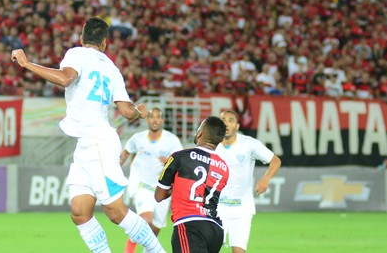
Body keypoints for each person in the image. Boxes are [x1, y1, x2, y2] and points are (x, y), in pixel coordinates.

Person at [11, 17, 165, 253]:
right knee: (80, 213)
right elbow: (125, 110)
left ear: (82, 39)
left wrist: (27, 64)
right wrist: (138, 111)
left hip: (98, 142)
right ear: (104, 43)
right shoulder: (112, 69)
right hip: (87, 144)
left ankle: (158, 251)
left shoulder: (76, 53)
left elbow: (65, 78)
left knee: (115, 212)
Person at [156, 116, 229, 253]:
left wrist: (175, 186)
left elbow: (159, 195)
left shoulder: (179, 157)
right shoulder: (224, 167)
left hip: (190, 225)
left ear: (200, 132)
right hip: (215, 230)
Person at [216, 110, 282, 253]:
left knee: (239, 251)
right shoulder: (211, 145)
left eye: (231, 120)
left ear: (237, 126)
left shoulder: (248, 144)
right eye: (223, 120)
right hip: (216, 208)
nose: (226, 123)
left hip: (242, 208)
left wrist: (266, 178)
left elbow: (275, 161)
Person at [121, 107, 183, 253]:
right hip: (142, 186)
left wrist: (169, 161)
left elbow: (181, 162)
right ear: (147, 120)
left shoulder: (171, 140)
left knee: (154, 230)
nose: (154, 119)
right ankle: (131, 242)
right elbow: (124, 154)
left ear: (162, 120)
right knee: (146, 221)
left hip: (162, 190)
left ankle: (141, 246)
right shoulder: (138, 138)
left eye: (158, 117)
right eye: (151, 117)